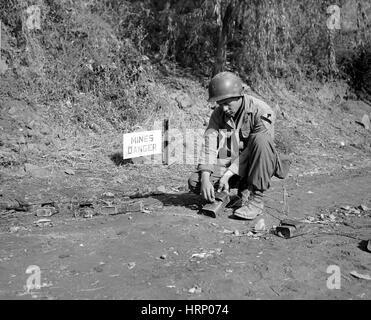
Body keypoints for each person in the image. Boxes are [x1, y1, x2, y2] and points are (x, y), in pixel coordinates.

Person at [188, 71, 289, 220]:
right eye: (219, 104)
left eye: (227, 103)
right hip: (232, 160)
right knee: (195, 181)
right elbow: (209, 145)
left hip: (255, 162)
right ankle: (234, 193)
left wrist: (228, 174)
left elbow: (257, 149)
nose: (223, 109)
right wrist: (205, 177)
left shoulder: (261, 110)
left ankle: (256, 200)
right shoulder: (219, 113)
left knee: (261, 139)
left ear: (240, 96)